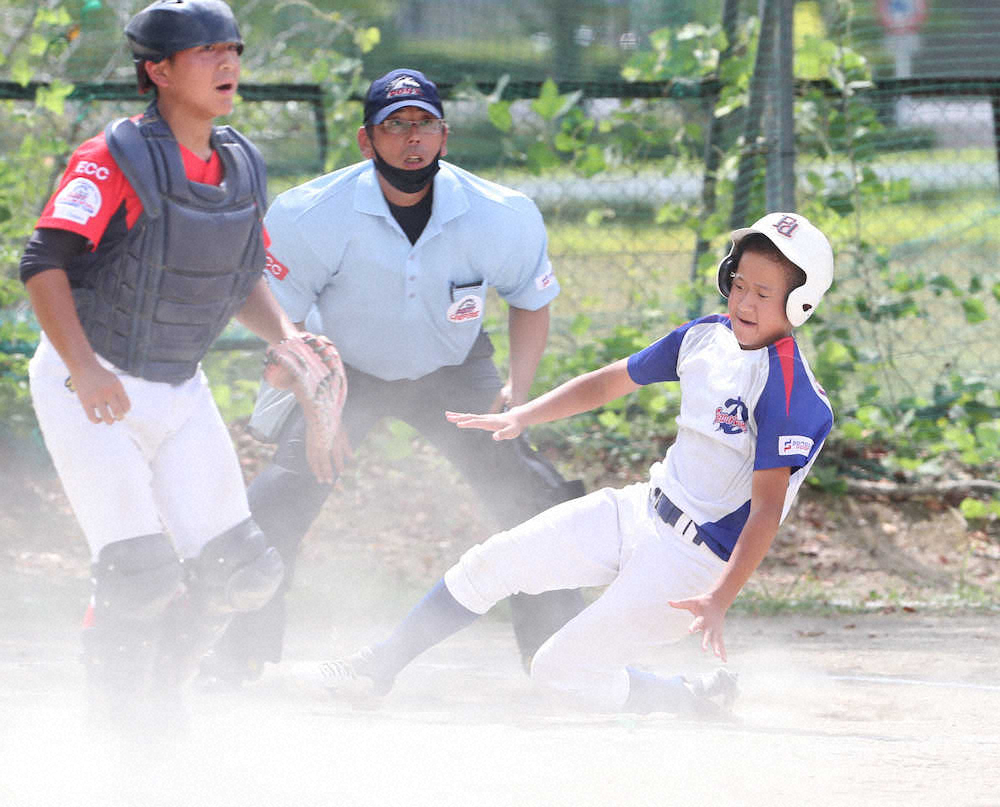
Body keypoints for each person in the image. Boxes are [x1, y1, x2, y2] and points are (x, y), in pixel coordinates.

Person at [319, 212, 835, 717]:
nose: (743, 300)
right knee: (489, 563)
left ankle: (687, 698)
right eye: (738, 283)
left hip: (694, 564)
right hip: (643, 508)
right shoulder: (706, 336)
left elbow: (766, 511)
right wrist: (525, 414)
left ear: (799, 303)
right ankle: (378, 667)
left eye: (763, 294)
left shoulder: (789, 392)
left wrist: (719, 598)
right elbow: (609, 381)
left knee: (558, 672)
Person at [206, 67, 586, 685]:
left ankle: (557, 664)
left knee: (531, 500)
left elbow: (530, 298)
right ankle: (239, 658)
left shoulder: (501, 214)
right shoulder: (310, 214)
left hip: (454, 371)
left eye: (425, 124)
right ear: (366, 140)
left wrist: (518, 391)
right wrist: (318, 403)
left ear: (444, 135)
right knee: (278, 499)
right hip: (343, 372)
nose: (412, 138)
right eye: (396, 125)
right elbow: (280, 322)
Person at [19, 0, 341, 730]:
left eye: (232, 47)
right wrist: (85, 368)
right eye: (204, 52)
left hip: (178, 385)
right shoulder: (114, 158)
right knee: (140, 574)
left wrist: (286, 334)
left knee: (245, 571)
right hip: (89, 381)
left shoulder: (239, 163)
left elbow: (239, 273)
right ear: (157, 71)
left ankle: (161, 689)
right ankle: (116, 710)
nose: (226, 62)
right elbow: (44, 264)